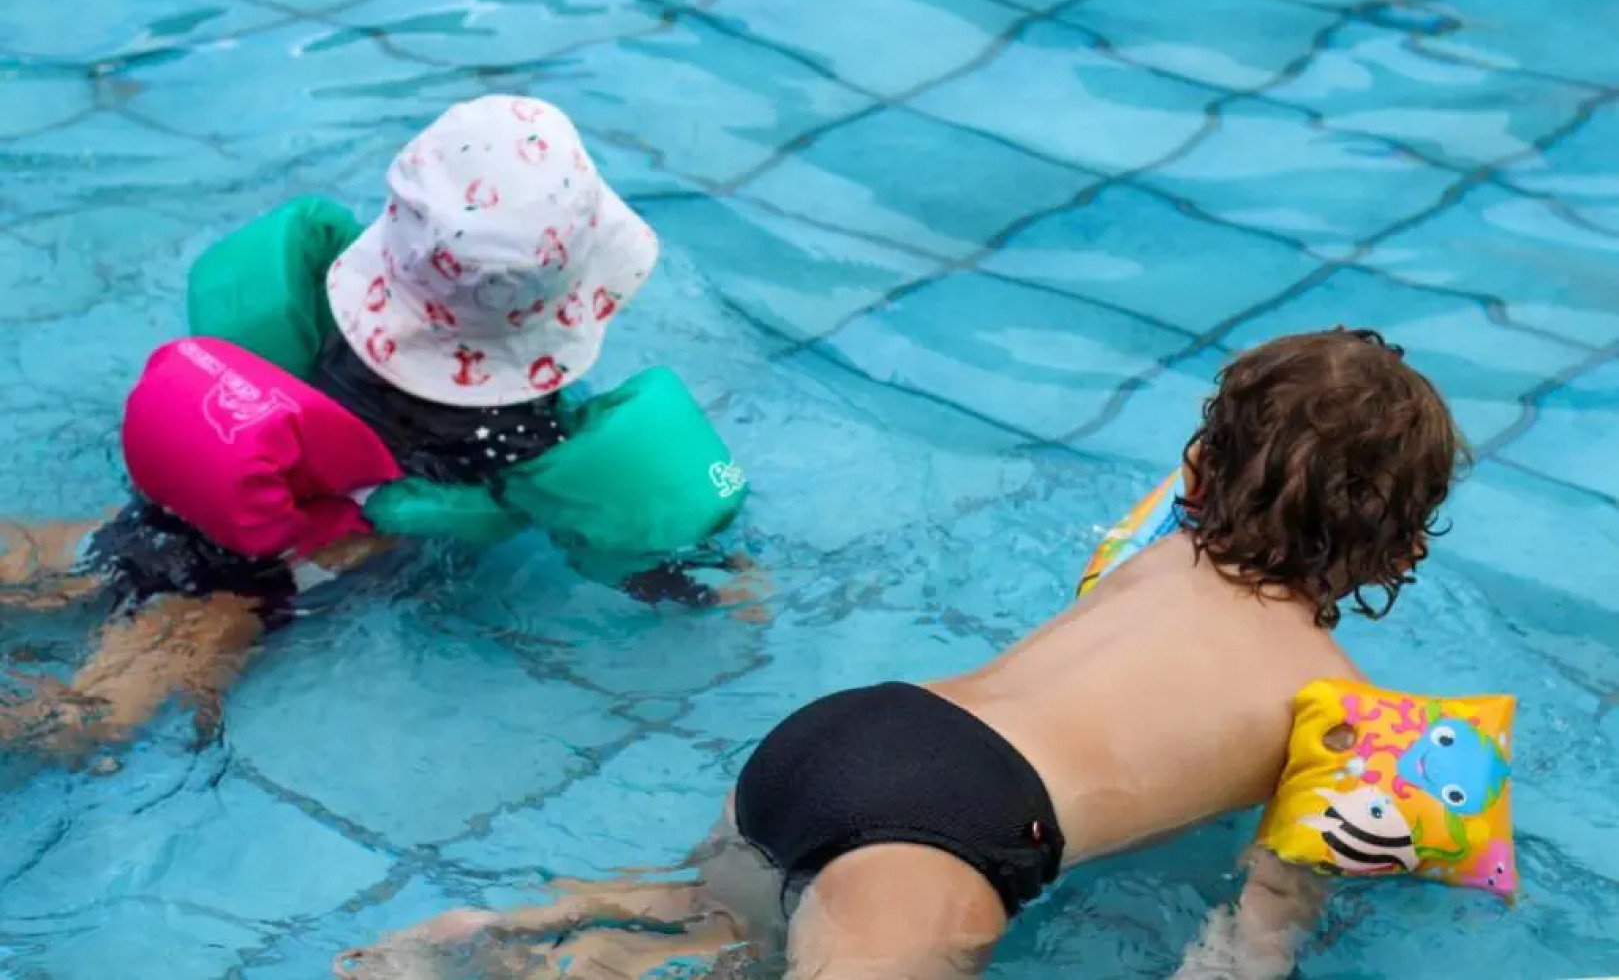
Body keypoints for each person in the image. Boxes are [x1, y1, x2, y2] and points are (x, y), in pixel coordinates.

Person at [336, 328, 1465, 980]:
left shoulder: (1146, 559)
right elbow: (1256, 932)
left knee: (708, 921)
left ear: (1199, 475)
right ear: (1398, 548)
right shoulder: (1345, 712)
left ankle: (491, 943)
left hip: (849, 732)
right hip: (958, 828)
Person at [0, 96, 763, 755]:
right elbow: (660, 561)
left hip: (176, 504)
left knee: (76, 556)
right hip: (262, 585)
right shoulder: (522, 441)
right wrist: (709, 580)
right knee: (85, 724)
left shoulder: (327, 317)